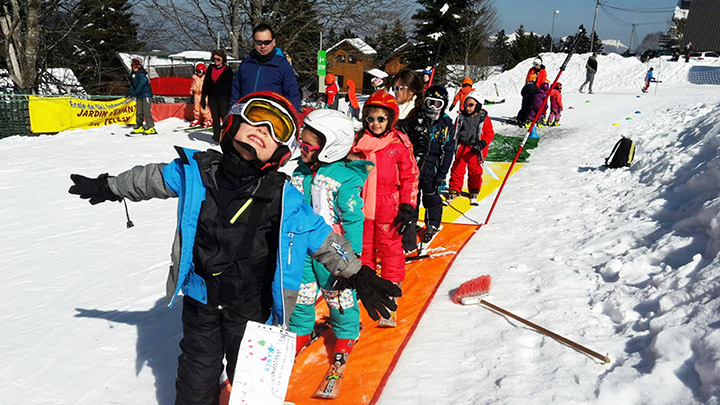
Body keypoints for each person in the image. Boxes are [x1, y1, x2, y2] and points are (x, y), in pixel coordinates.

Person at [68, 91, 401, 405]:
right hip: (201, 303)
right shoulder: (196, 172)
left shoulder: (283, 197)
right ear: (233, 123)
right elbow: (150, 178)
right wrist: (110, 185)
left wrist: (357, 273)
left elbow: (320, 236)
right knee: (196, 381)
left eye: (276, 129)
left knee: (251, 384)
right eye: (256, 119)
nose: (263, 131)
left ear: (281, 153)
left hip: (252, 310)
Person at [289, 109, 370, 358]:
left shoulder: (344, 178)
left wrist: (352, 254)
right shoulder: (300, 171)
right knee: (301, 293)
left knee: (337, 293)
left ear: (331, 146)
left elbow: (353, 218)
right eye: (299, 142)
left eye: (306, 144)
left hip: (333, 250)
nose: (300, 148)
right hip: (301, 246)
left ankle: (346, 332)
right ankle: (300, 330)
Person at [351, 91, 419, 327]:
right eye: (371, 119)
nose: (376, 124)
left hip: (388, 207)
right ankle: (367, 291)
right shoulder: (358, 143)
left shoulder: (398, 143)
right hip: (361, 208)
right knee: (364, 250)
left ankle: (391, 293)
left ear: (390, 119)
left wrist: (407, 205)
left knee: (390, 250)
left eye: (381, 119)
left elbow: (411, 176)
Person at [390, 68, 426, 253]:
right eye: (393, 87)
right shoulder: (393, 111)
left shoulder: (417, 115)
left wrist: (410, 172)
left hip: (408, 171)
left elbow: (421, 148)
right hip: (390, 168)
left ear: (411, 91)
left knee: (407, 206)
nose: (395, 92)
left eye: (399, 88)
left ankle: (409, 245)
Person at [414, 85, 456, 244]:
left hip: (433, 164)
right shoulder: (418, 119)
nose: (433, 107)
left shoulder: (445, 124)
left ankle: (432, 223)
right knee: (413, 195)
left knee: (431, 195)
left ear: (443, 106)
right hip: (416, 162)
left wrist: (442, 174)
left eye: (437, 104)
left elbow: (448, 150)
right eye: (430, 102)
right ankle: (411, 221)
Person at [231, 23, 301, 111]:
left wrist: (293, 117)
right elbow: (236, 91)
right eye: (259, 42)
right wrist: (234, 115)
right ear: (254, 43)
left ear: (274, 42)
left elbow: (292, 94)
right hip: (247, 115)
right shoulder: (246, 64)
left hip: (272, 116)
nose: (263, 46)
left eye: (267, 42)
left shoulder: (282, 65)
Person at [447, 90, 494, 205]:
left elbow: (489, 133)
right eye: (466, 105)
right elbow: (455, 130)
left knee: (475, 170)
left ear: (478, 105)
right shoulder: (461, 117)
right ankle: (454, 188)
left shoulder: (483, 118)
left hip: (476, 149)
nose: (468, 108)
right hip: (462, 147)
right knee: (457, 169)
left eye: (471, 105)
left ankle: (474, 189)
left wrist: (482, 144)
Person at [201, 49, 234, 143]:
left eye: (218, 59)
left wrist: (231, 99)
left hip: (224, 97)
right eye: (214, 59)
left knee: (225, 118)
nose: (215, 61)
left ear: (223, 59)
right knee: (215, 118)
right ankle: (216, 137)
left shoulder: (227, 70)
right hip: (212, 97)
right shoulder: (211, 68)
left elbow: (231, 85)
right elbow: (206, 84)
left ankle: (226, 137)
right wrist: (203, 97)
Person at [128, 58, 155, 135]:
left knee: (146, 111)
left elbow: (141, 85)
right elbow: (132, 85)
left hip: (146, 95)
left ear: (139, 66)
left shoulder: (142, 74)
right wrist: (130, 93)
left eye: (136, 66)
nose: (134, 67)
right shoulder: (134, 75)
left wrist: (135, 93)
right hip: (139, 96)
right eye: (133, 66)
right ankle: (139, 126)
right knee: (139, 112)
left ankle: (151, 127)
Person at [189, 63, 212, 128]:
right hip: (196, 94)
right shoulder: (195, 78)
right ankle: (197, 118)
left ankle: (208, 119)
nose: (198, 73)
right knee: (196, 108)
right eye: (197, 71)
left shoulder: (206, 78)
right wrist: (192, 91)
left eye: (200, 71)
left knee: (203, 108)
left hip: (203, 94)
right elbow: (193, 85)